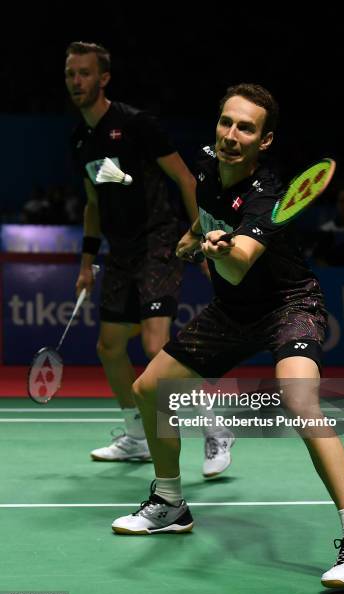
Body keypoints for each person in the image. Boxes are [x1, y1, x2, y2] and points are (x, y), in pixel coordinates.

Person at [111, 84, 344, 590]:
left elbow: (238, 267)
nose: (231, 135)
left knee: (299, 398)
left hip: (289, 304)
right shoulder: (207, 170)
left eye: (246, 128)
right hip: (233, 312)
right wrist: (196, 238)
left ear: (265, 140)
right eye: (226, 122)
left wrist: (218, 251)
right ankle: (170, 502)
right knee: (150, 388)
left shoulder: (268, 192)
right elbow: (209, 223)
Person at [65, 41, 233, 477]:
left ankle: (215, 429)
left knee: (156, 346)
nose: (76, 81)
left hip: (159, 241)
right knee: (109, 347)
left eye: (84, 73)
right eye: (70, 74)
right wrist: (86, 262)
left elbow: (185, 180)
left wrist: (199, 236)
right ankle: (136, 435)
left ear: (103, 78)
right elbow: (92, 204)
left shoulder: (136, 124)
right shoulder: (81, 139)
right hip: (120, 252)